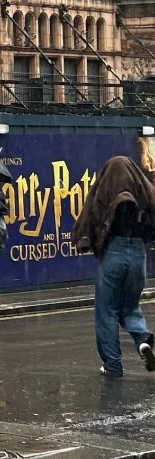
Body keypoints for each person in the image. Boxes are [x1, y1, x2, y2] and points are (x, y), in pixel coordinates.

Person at [72, 155, 155, 378]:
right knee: (130, 306)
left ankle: (113, 365)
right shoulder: (143, 189)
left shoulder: (105, 190)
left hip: (114, 252)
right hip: (138, 254)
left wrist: (84, 240)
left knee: (107, 310)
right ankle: (142, 341)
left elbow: (89, 215)